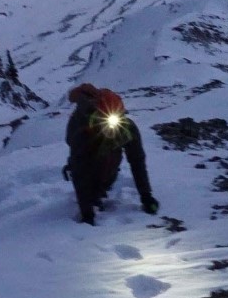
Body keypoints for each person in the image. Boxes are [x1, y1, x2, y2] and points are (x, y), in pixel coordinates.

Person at [63, 83, 159, 225]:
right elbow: (79, 171)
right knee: (89, 171)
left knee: (109, 160)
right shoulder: (82, 129)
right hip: (86, 158)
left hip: (108, 160)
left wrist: (146, 196)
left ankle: (101, 188)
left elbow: (137, 160)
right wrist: (86, 212)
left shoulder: (127, 128)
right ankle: (94, 193)